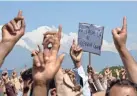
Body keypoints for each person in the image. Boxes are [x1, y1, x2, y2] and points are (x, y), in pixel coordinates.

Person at [31, 25, 65, 96]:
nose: (49, 41)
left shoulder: (65, 76)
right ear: (43, 44)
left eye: (52, 39)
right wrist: (40, 83)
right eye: (46, 39)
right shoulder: (36, 71)